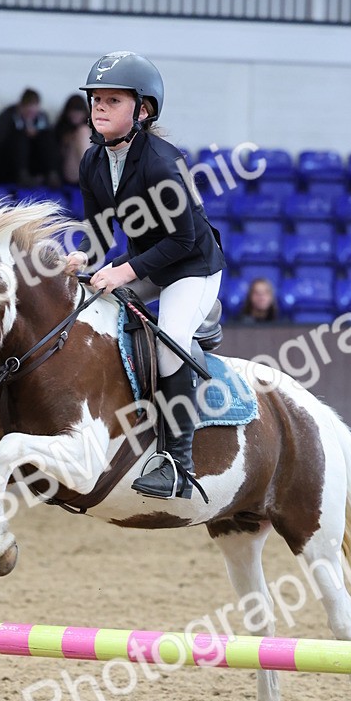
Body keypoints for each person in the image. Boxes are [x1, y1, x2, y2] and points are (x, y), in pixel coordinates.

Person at [65, 51, 226, 501]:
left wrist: (122, 272)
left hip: (191, 266)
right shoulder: (93, 161)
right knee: (86, 309)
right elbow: (98, 232)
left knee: (169, 343)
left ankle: (177, 464)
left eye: (112, 100)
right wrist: (81, 258)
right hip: (148, 262)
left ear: (143, 109)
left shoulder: (161, 161)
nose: (98, 107)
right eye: (95, 99)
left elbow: (182, 241)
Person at [0, 88, 62, 188]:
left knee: (46, 136)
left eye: (34, 106)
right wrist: (23, 134)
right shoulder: (8, 117)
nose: (31, 110)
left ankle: (52, 174)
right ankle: (22, 175)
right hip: (9, 163)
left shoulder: (42, 118)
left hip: (32, 164)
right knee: (20, 137)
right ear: (21, 106)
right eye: (28, 106)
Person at [54, 93, 91, 186]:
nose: (76, 115)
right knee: (83, 131)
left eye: (79, 112)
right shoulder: (61, 128)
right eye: (73, 111)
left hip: (82, 171)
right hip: (69, 173)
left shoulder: (91, 128)